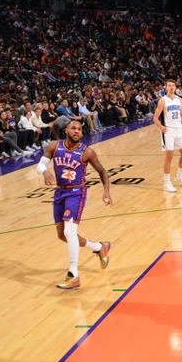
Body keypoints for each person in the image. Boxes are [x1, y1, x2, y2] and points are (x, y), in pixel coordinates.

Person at [37, 120, 113, 289]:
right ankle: (100, 247)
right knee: (62, 235)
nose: (77, 131)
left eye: (79, 129)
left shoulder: (87, 152)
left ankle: (73, 274)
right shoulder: (54, 146)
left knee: (69, 231)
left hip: (76, 192)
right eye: (73, 128)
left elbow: (102, 172)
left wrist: (106, 191)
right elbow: (40, 164)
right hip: (59, 192)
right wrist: (45, 171)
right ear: (66, 130)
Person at [153, 79, 182, 193]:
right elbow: (155, 118)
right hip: (168, 131)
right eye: (169, 85)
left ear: (175, 87)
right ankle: (167, 183)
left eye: (173, 85)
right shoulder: (162, 101)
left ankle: (179, 176)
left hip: (179, 130)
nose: (171, 87)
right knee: (169, 155)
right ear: (166, 88)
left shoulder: (179, 100)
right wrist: (161, 127)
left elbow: (181, 114)